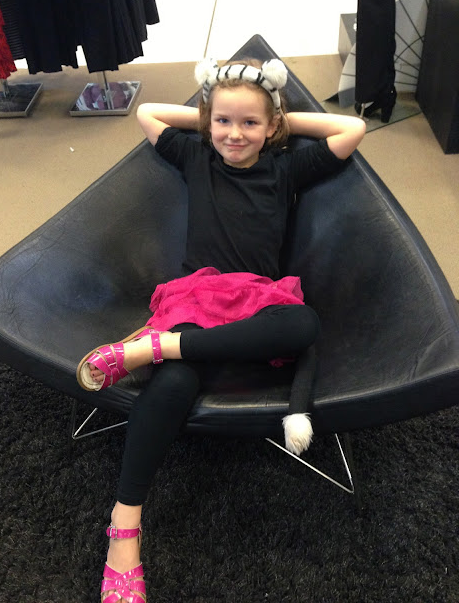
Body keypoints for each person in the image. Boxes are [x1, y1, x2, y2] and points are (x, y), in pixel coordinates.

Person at [76, 57, 366, 602]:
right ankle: (124, 526)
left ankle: (157, 347)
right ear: (208, 122)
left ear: (271, 127)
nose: (235, 134)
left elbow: (352, 127)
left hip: (258, 302)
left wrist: (279, 122)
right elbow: (148, 111)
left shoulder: (285, 168)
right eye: (223, 122)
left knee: (302, 322)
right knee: (175, 384)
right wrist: (213, 114)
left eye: (250, 123)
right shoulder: (196, 155)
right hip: (198, 296)